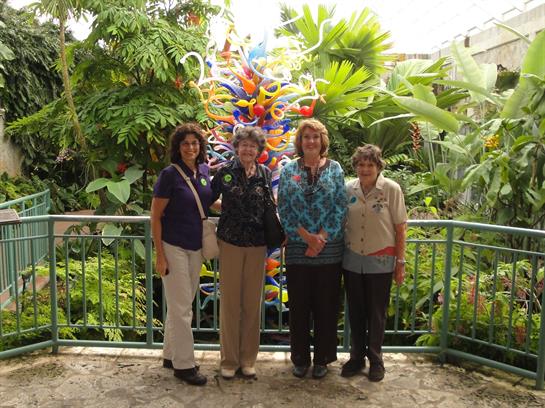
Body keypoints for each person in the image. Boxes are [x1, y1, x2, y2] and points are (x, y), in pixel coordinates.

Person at [277, 118, 347, 379]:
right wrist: (307, 238)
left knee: (326, 307)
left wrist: (321, 238)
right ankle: (300, 358)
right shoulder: (288, 170)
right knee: (299, 307)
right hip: (298, 250)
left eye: (315, 137)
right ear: (300, 141)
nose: (311, 141)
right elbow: (283, 207)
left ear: (322, 141)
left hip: (329, 251)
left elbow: (340, 205)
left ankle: (322, 359)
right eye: (306, 137)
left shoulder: (335, 168)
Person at [150, 123, 212, 386]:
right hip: (173, 246)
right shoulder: (169, 175)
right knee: (182, 307)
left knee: (180, 304)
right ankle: (184, 365)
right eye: (185, 143)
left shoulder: (204, 171)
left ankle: (170, 355)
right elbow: (155, 216)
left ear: (200, 146)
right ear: (178, 147)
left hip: (195, 246)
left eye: (195, 143)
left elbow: (208, 202)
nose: (190, 148)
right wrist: (160, 255)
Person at [341, 144, 407, 382]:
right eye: (361, 164)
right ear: (355, 167)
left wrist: (400, 262)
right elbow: (341, 221)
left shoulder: (391, 189)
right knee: (356, 312)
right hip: (352, 259)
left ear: (378, 167)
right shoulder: (348, 188)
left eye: (370, 164)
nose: (365, 169)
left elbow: (401, 227)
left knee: (377, 313)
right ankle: (356, 357)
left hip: (380, 259)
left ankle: (376, 360)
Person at [211, 126, 272, 379]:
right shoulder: (225, 172)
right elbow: (208, 199)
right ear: (237, 147)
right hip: (231, 242)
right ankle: (229, 360)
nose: (248, 149)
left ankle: (248, 359)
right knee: (230, 304)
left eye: (253, 146)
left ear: (258, 150)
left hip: (257, 244)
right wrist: (225, 209)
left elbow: (269, 203)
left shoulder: (265, 173)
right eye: (244, 145)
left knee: (251, 304)